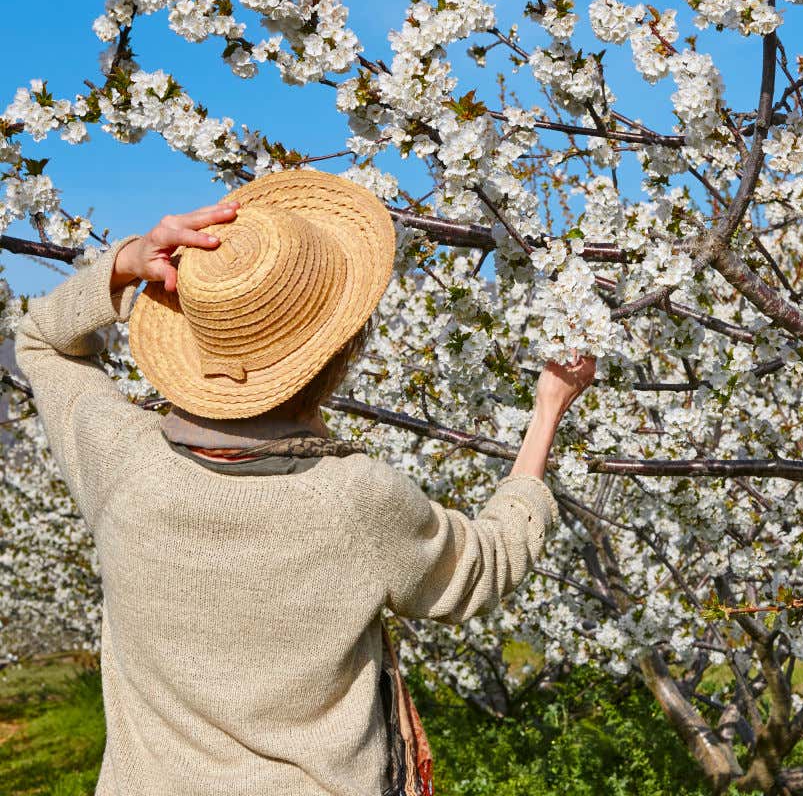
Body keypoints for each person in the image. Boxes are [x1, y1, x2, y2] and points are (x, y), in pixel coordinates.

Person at [14, 169, 595, 795]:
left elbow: (40, 341)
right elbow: (485, 565)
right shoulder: (355, 500)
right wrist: (546, 413)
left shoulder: (119, 460)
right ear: (339, 349)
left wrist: (127, 261)